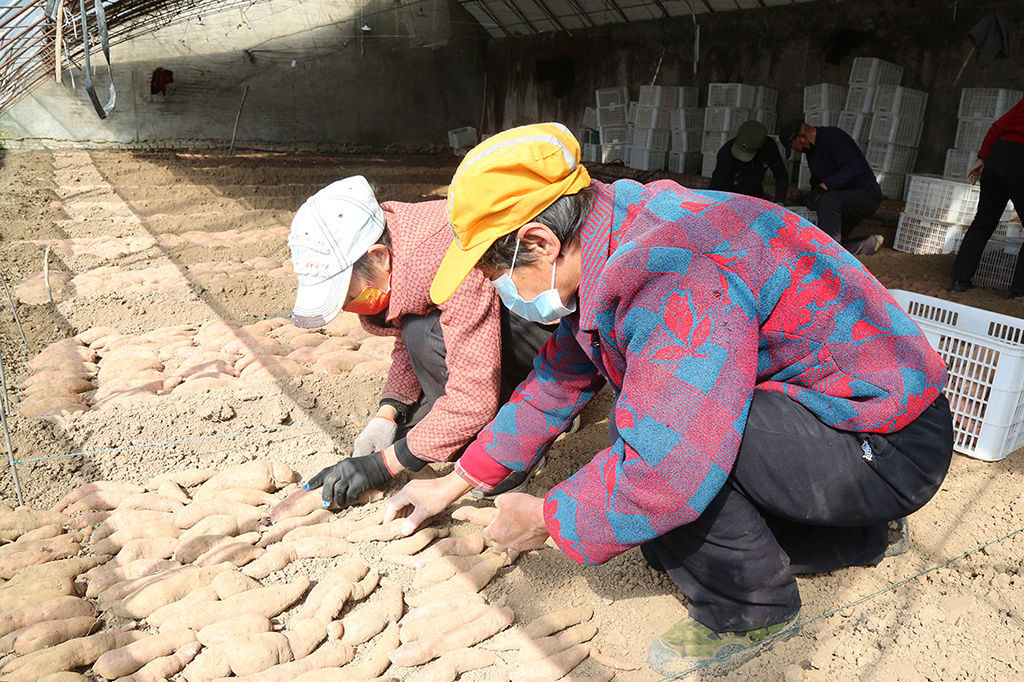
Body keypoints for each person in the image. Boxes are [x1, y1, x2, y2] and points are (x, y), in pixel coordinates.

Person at [384, 123, 954, 676]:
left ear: (539, 241)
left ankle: (751, 612)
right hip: (821, 423)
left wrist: (548, 519)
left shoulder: (672, 269)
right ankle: (862, 535)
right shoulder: (612, 229)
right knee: (661, 539)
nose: (492, 289)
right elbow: (556, 381)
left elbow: (669, 466)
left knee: (658, 452)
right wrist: (456, 482)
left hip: (883, 440)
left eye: (492, 270)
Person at [287, 176, 554, 507]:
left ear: (379, 257)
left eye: (347, 295)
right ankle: (505, 416)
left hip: (545, 328)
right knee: (413, 407)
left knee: (425, 337)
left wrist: (383, 464)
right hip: (488, 327)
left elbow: (473, 396)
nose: (346, 307)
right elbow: (410, 331)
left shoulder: (439, 255)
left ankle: (510, 447)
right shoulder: (398, 241)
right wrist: (388, 413)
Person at [948, 95, 1024, 299]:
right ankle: (1018, 294)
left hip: (998, 156)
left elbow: (997, 127)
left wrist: (983, 158)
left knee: (982, 222)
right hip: (1020, 161)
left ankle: (959, 280)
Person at [779, 119, 885, 256]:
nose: (797, 151)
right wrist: (812, 196)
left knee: (828, 202)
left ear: (801, 137)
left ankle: (829, 254)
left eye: (795, 147)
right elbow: (817, 181)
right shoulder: (811, 153)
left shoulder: (834, 137)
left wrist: (824, 187)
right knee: (833, 243)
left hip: (865, 196)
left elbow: (853, 168)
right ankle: (866, 245)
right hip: (841, 201)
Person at [709, 119, 789, 204]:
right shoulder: (726, 154)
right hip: (728, 196)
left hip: (754, 196)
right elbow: (720, 190)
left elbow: (781, 175)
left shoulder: (768, 147)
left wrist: (779, 202)